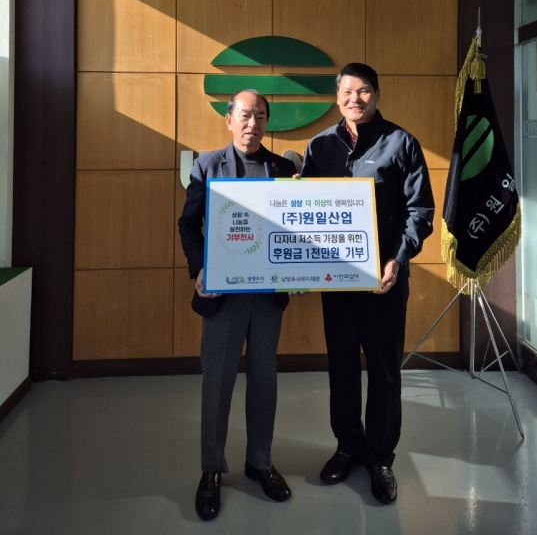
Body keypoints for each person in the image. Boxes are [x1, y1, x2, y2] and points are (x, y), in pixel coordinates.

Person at [301, 63, 435, 504]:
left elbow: (420, 211)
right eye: (346, 92)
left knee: (383, 369)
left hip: (385, 280)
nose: (354, 99)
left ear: (376, 94)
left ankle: (379, 458)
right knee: (341, 366)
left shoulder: (401, 143)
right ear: (336, 96)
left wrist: (397, 259)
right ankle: (347, 447)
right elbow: (304, 210)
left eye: (363, 91)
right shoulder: (320, 146)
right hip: (336, 280)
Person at [178, 89, 296, 521]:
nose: (253, 123)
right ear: (229, 119)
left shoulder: (283, 169)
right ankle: (211, 469)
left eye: (260, 116)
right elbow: (189, 225)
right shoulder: (207, 165)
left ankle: (259, 463)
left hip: (267, 299)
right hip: (223, 298)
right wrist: (199, 269)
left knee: (265, 382)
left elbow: (294, 229)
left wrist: (300, 271)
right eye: (245, 115)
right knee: (217, 384)